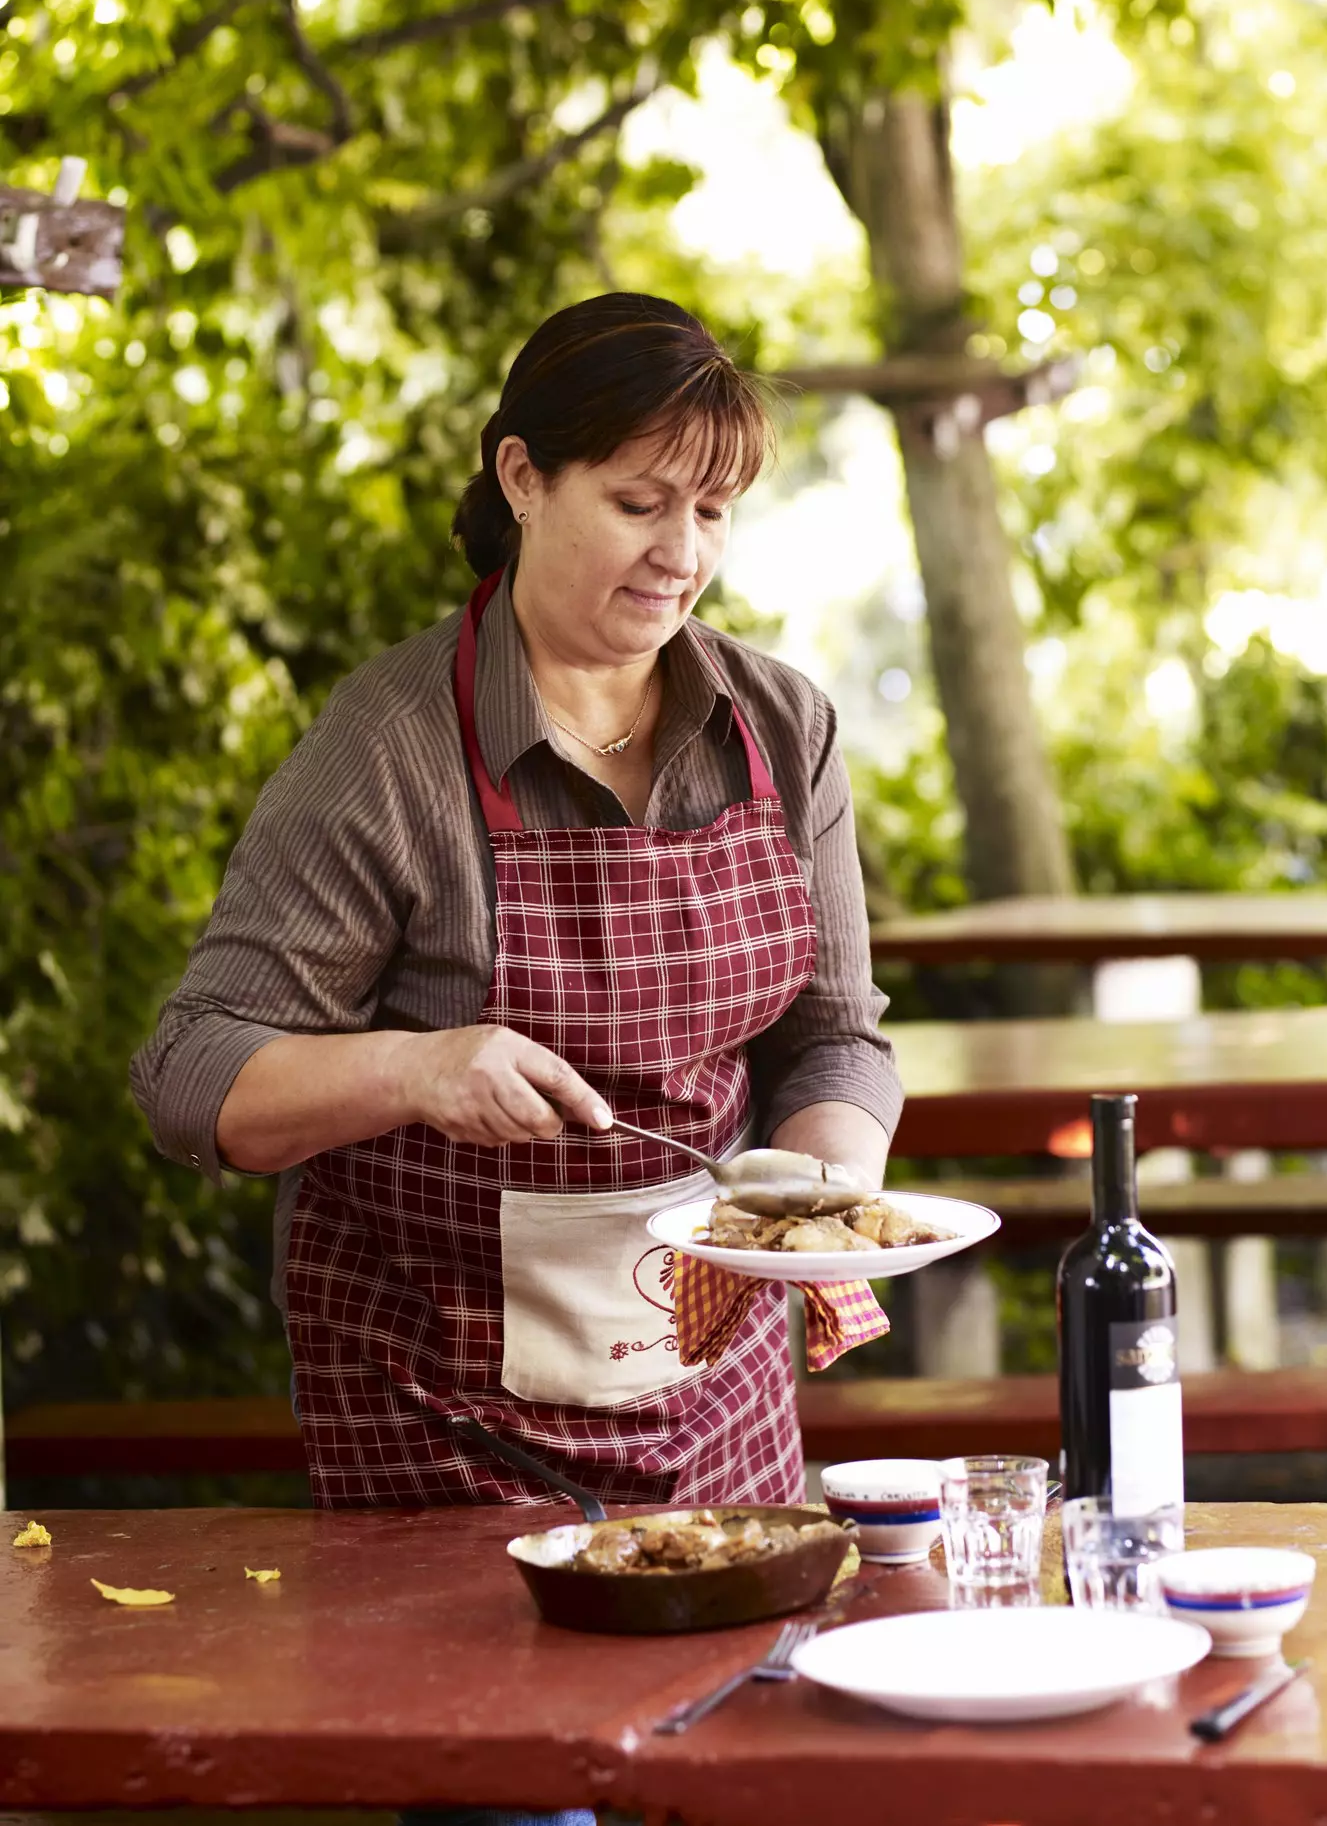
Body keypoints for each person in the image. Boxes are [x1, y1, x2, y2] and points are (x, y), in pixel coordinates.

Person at [131, 290, 902, 1521]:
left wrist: (818, 1198)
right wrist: (420, 1070)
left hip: (723, 1397)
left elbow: (834, 1038)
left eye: (711, 511)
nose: (682, 553)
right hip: (437, 1421)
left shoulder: (780, 726)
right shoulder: (389, 749)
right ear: (523, 477)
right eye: (639, 503)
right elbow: (189, 1076)